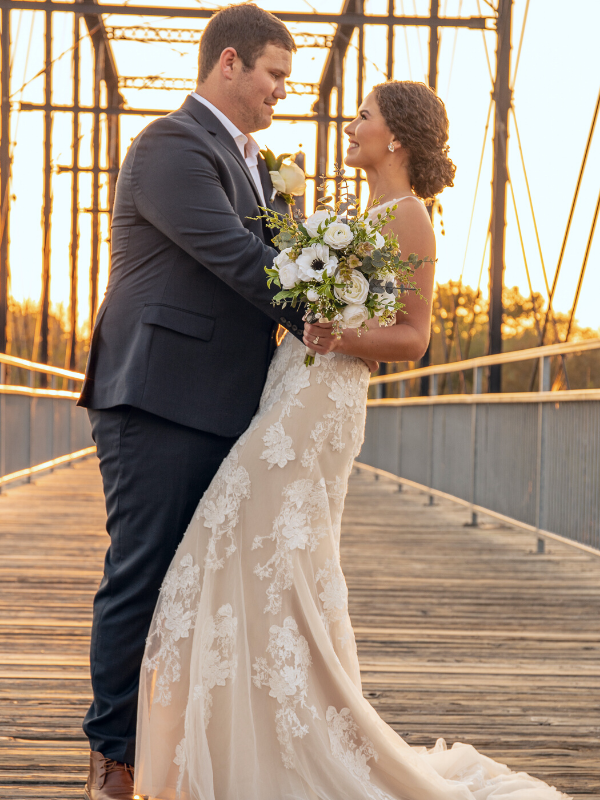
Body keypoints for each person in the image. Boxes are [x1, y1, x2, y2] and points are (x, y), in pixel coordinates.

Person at [134, 81, 570, 800]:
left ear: (394, 137)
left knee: (247, 541)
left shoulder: (408, 218)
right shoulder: (359, 213)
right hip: (292, 384)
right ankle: (260, 734)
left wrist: (342, 334)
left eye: (363, 114)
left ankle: (286, 740)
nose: (351, 121)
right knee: (259, 555)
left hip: (323, 402)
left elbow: (414, 337)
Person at [76, 5, 346, 798]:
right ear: (229, 63)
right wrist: (321, 315)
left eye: (289, 82)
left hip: (226, 406)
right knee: (143, 572)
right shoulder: (170, 146)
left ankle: (175, 751)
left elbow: (279, 251)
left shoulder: (262, 166)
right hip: (156, 397)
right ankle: (113, 760)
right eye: (273, 77)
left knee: (201, 582)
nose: (280, 95)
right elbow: (232, 253)